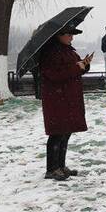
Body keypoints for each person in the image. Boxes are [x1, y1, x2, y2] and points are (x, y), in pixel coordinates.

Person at [39, 25, 92, 181]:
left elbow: (74, 68)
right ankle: (52, 169)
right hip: (57, 100)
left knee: (66, 132)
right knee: (57, 133)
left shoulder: (68, 50)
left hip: (68, 98)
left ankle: (61, 166)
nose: (72, 37)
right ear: (59, 35)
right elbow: (55, 74)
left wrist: (84, 64)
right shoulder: (50, 53)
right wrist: (77, 68)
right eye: (69, 34)